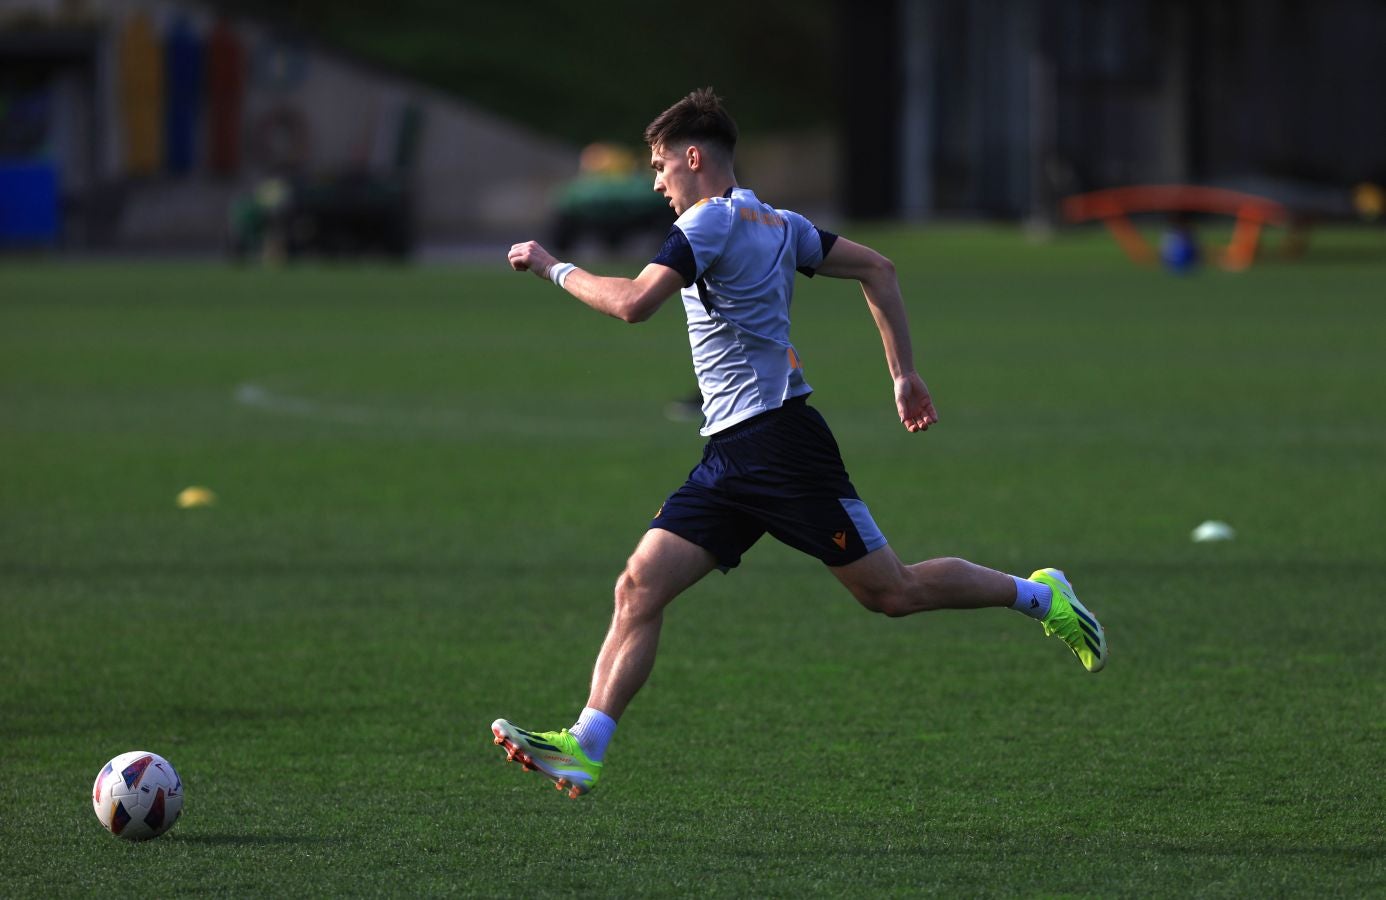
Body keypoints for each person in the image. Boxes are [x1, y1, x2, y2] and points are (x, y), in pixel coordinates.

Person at [495, 88, 1107, 799]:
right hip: (729, 453)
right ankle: (585, 746)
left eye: (661, 164)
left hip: (781, 448)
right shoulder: (775, 220)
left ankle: (1039, 596)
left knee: (893, 594)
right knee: (638, 586)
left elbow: (634, 304)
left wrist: (550, 265)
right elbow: (879, 269)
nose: (656, 181)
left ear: (694, 158)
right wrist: (903, 374)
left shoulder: (707, 224)